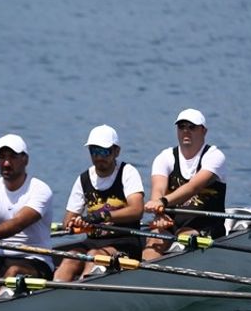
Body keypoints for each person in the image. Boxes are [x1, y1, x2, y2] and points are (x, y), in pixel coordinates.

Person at [0, 134, 55, 304]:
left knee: (13, 271)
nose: (6, 163)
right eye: (2, 157)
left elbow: (17, 224)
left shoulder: (40, 190)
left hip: (37, 260)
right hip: (2, 259)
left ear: (25, 159)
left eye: (13, 157)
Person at [53, 125, 145, 281]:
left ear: (116, 151)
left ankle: (83, 293)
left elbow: (137, 210)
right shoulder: (83, 179)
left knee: (94, 256)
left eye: (103, 151)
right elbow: (68, 220)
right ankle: (55, 293)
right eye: (94, 151)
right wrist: (74, 223)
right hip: (93, 242)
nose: (98, 157)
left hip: (125, 241)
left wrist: (103, 216)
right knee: (70, 258)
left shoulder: (127, 172)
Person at [142, 108, 228, 260]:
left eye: (191, 127)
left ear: (204, 131)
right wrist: (159, 213)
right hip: (171, 224)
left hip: (205, 225)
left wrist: (162, 202)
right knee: (153, 240)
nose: (186, 131)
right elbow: (158, 188)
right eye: (181, 127)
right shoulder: (165, 157)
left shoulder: (214, 156)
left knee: (184, 237)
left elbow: (192, 187)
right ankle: (144, 276)